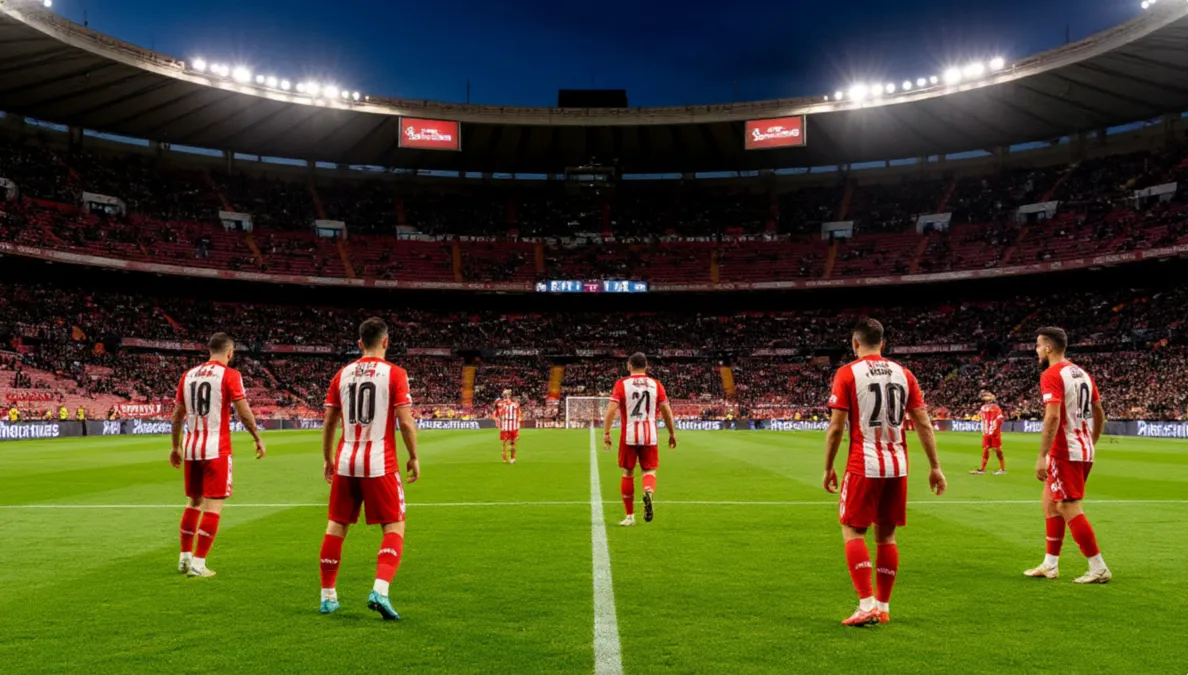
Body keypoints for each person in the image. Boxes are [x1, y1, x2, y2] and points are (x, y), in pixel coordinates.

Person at [824, 319, 947, 627]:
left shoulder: (847, 373)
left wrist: (828, 466)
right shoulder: (904, 374)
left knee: (853, 530)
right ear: (883, 343)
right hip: (897, 465)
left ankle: (866, 604)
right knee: (887, 536)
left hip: (863, 464)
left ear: (854, 344)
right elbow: (923, 422)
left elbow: (837, 428)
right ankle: (883, 606)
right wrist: (935, 466)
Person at [318, 317, 420, 619]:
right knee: (394, 525)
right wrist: (413, 455)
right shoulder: (395, 373)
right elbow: (404, 421)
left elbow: (329, 422)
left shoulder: (342, 374)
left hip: (346, 459)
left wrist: (327, 458)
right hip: (380, 462)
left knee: (336, 526)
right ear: (386, 342)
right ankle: (380, 590)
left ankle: (327, 597)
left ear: (359, 343)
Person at [169, 333, 266, 578]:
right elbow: (243, 413)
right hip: (216, 449)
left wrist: (175, 446)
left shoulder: (188, 375)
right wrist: (257, 437)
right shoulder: (230, 375)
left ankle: (184, 558)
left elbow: (176, 415)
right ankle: (199, 564)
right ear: (230, 352)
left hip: (192, 447)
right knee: (213, 508)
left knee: (193, 503)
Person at [1024, 327, 1110, 584]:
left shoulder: (1052, 374)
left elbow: (1052, 415)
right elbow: (1099, 411)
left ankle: (1098, 566)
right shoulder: (1082, 373)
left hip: (1065, 451)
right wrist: (1090, 442)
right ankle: (1050, 564)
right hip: (1083, 448)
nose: (1036, 350)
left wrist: (1042, 455)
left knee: (1066, 504)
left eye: (1038, 346)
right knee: (1050, 501)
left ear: (1048, 348)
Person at [602, 353, 677, 527]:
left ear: (629, 366)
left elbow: (611, 409)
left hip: (629, 434)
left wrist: (606, 432)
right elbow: (666, 410)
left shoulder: (622, 384)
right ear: (646, 366)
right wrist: (672, 433)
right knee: (649, 471)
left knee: (628, 472)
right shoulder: (656, 384)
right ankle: (648, 491)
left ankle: (629, 517)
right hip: (650, 434)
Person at [972, 391, 1006, 475]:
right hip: (986, 432)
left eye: (988, 396)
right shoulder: (983, 408)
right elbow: (980, 418)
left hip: (994, 432)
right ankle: (982, 469)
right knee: (985, 449)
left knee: (997, 450)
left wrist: (996, 423)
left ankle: (1002, 469)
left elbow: (1001, 418)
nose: (986, 397)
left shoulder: (996, 408)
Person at [494, 389, 521, 463]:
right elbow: (497, 412)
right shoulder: (500, 403)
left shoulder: (515, 404)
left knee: (512, 442)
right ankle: (504, 456)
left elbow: (518, 414)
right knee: (504, 441)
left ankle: (512, 457)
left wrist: (518, 424)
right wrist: (499, 424)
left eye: (508, 394)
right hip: (505, 424)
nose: (506, 395)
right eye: (505, 394)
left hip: (513, 425)